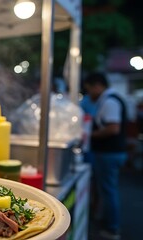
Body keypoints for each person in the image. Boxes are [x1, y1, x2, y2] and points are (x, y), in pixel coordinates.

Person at [83, 72, 127, 240]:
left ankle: (112, 228)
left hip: (109, 153)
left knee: (108, 190)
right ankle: (105, 219)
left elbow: (113, 128)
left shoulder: (110, 102)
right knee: (106, 189)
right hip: (110, 153)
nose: (89, 94)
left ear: (97, 85)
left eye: (89, 89)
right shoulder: (109, 100)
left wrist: (90, 135)